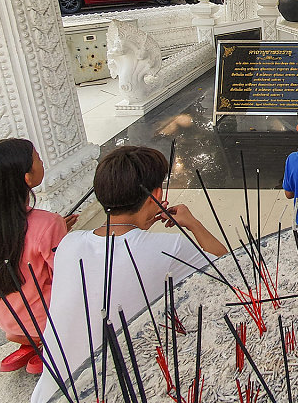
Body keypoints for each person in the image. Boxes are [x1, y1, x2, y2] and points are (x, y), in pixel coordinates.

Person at [31, 146, 226, 403]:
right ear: (155, 195)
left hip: (53, 393)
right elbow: (227, 267)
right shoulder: (169, 250)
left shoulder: (69, 244)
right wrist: (193, 224)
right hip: (119, 392)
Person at [0, 138, 76, 375]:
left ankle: (33, 343)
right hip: (48, 324)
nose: (41, 161)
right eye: (37, 158)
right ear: (27, 178)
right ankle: (50, 343)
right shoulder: (47, 224)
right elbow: (69, 279)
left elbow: (20, 249)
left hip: (11, 324)